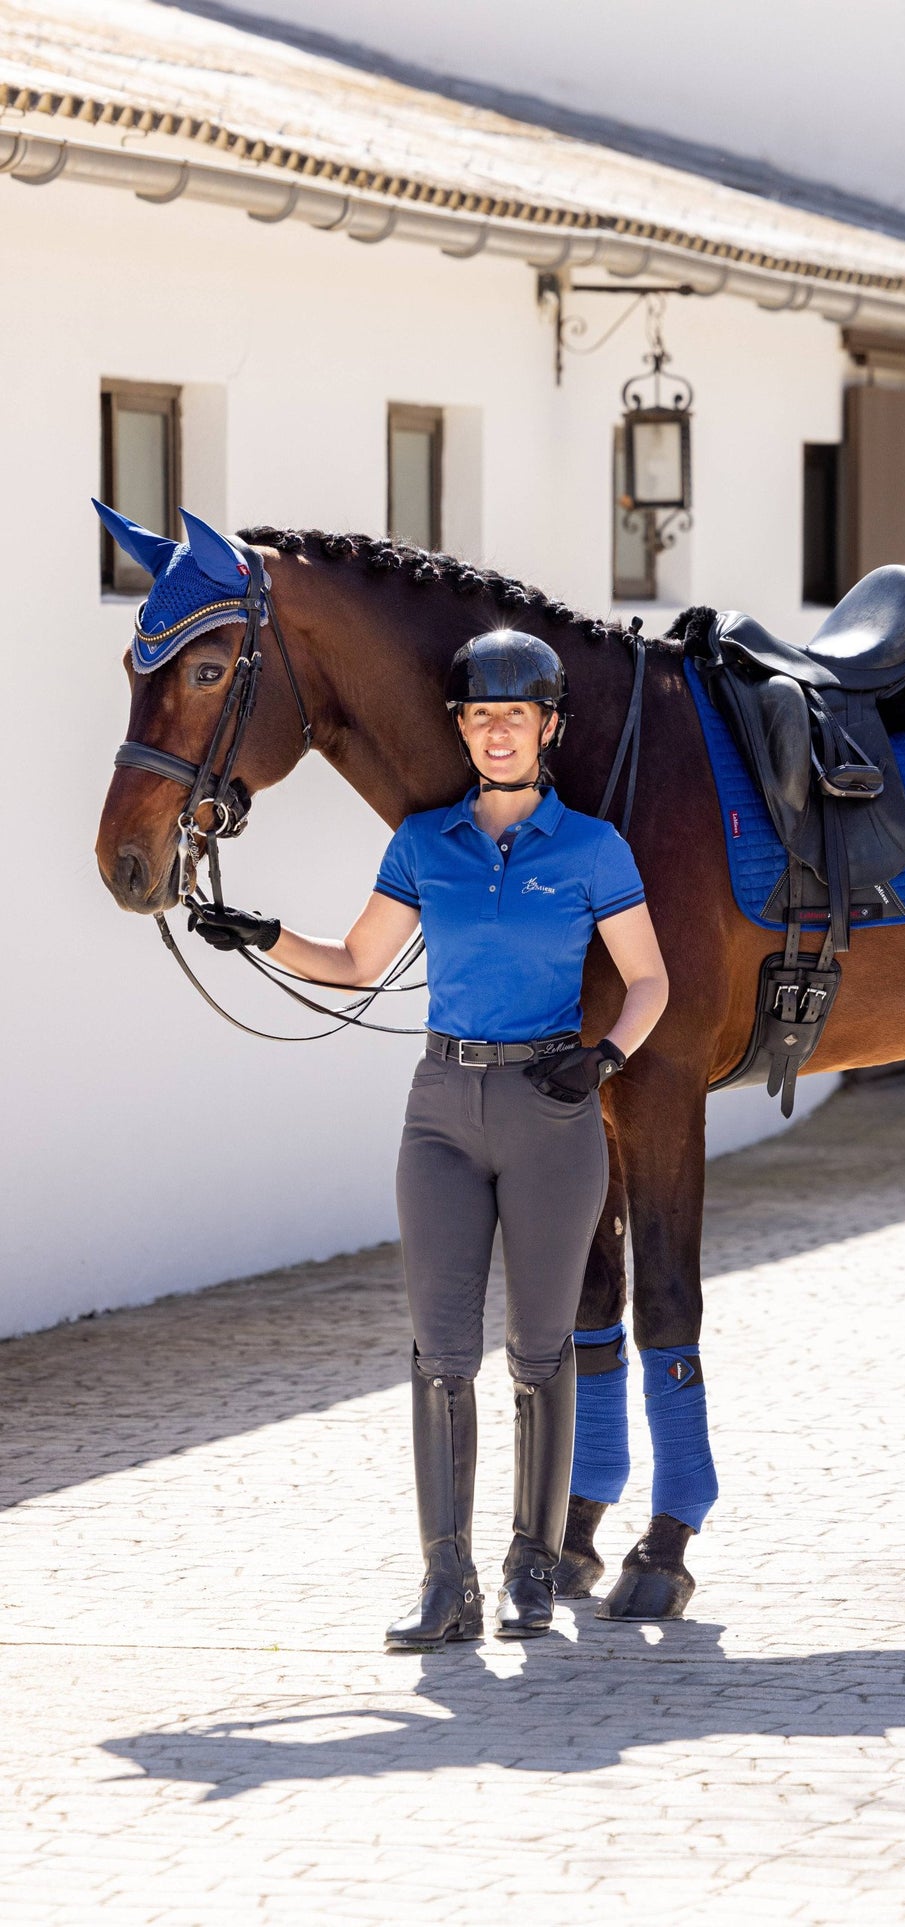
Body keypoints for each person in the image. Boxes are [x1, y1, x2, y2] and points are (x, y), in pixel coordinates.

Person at [191, 631, 669, 1647]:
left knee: (539, 1352)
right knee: (438, 1354)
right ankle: (443, 1584)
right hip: (441, 1113)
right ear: (460, 730)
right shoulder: (421, 841)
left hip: (552, 1110)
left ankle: (530, 1569)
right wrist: (262, 935)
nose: (496, 732)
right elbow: (359, 961)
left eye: (515, 716)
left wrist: (608, 1058)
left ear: (546, 728)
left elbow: (650, 980)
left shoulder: (591, 848)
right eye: (478, 717)